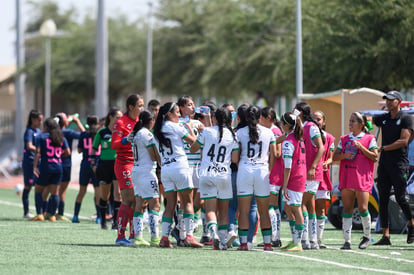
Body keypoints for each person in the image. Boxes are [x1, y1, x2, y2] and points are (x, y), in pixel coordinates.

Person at [153, 102, 203, 248]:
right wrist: (190, 129)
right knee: (188, 202)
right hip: (180, 167)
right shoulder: (176, 127)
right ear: (169, 114)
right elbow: (194, 142)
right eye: (177, 112)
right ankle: (189, 236)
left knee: (170, 205)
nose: (180, 115)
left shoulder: (157, 130)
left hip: (166, 169)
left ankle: (164, 238)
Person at [190, 107, 239, 250]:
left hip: (207, 173)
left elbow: (193, 148)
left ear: (215, 118)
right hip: (224, 174)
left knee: (210, 209)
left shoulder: (207, 131)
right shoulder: (232, 135)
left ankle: (213, 234)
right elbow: (235, 159)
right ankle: (223, 241)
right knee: (223, 211)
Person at [372, 90, 414, 245]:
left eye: (391, 100)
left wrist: (382, 148)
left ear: (399, 101)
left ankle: (411, 224)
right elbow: (368, 121)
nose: (388, 102)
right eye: (386, 100)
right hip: (384, 165)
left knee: (400, 198)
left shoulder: (406, 118)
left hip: (399, 165)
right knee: (383, 199)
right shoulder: (383, 118)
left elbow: (404, 141)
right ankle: (386, 236)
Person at [333, 112, 378, 249]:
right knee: (347, 208)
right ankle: (347, 241)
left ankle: (366, 236)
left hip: (362, 178)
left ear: (361, 124)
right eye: (350, 120)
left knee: (363, 208)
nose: (350, 123)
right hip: (347, 177)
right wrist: (345, 155)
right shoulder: (344, 138)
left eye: (353, 121)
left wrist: (361, 148)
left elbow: (375, 157)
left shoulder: (370, 138)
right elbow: (335, 156)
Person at [236, 105, 276, 251]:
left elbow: (235, 157)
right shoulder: (268, 132)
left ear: (246, 118)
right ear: (260, 117)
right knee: (264, 210)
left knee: (244, 210)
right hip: (262, 171)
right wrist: (269, 169)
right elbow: (275, 154)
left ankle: (244, 244)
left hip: (245, 170)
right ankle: (267, 244)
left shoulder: (239, 133)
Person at [111, 94, 144, 246]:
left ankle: (133, 235)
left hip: (138, 164)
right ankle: (120, 236)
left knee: (137, 200)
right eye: (140, 106)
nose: (142, 109)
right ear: (131, 107)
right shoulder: (121, 122)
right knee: (128, 199)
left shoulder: (141, 121)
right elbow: (114, 144)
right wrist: (126, 139)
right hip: (124, 164)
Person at [228, 103, 259, 249]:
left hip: (235, 172)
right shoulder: (261, 132)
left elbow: (233, 157)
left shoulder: (235, 132)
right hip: (256, 172)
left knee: (232, 206)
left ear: (238, 117)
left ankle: (231, 233)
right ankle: (249, 239)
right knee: (252, 208)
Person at [295, 102, 325, 250]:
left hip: (311, 171)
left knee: (301, 203)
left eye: (295, 110)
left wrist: (313, 167)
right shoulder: (300, 127)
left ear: (300, 112)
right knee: (309, 205)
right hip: (303, 171)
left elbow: (321, 148)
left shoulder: (311, 127)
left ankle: (306, 240)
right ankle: (312, 241)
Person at [130, 110, 161, 247]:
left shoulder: (136, 133)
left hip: (136, 170)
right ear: (151, 121)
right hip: (146, 171)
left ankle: (138, 237)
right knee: (155, 204)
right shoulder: (146, 134)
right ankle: (155, 238)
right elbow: (153, 156)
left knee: (140, 204)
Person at [31, 118, 70, 222]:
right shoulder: (60, 137)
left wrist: (35, 166)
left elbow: (38, 152)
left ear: (46, 127)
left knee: (38, 190)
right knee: (55, 192)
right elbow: (68, 152)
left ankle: (40, 214)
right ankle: (52, 215)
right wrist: (57, 156)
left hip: (46, 166)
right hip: (58, 166)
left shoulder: (41, 137)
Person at [280, 110, 307, 252]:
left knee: (296, 209)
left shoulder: (289, 142)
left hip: (295, 178)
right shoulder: (296, 138)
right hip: (299, 176)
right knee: (288, 207)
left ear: (285, 125)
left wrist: (285, 185)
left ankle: (298, 242)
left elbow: (288, 167)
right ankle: (295, 239)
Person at [92, 107, 123, 230]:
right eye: (117, 118)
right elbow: (94, 149)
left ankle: (116, 222)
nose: (120, 120)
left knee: (118, 194)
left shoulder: (121, 132)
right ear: (111, 117)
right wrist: (93, 163)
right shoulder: (102, 132)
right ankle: (103, 221)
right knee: (105, 195)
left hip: (118, 164)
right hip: (104, 165)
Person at [55, 112, 85, 221]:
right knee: (62, 190)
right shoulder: (68, 132)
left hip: (53, 162)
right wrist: (77, 122)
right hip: (66, 163)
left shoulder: (52, 132)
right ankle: (60, 213)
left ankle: (47, 212)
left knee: (52, 189)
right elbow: (85, 135)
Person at [260, 107, 284, 247]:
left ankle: (275, 237)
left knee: (271, 204)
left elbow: (277, 153)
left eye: (261, 118)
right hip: (273, 172)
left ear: (268, 118)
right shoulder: (273, 131)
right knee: (273, 205)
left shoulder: (274, 131)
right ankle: (276, 236)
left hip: (273, 172)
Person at [313, 110, 335, 248]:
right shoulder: (306, 135)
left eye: (319, 119)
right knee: (307, 207)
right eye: (314, 119)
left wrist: (326, 163)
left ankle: (318, 239)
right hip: (308, 177)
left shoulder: (330, 138)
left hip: (322, 177)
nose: (316, 121)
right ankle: (307, 238)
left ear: (324, 122)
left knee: (320, 209)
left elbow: (331, 157)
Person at [72, 115, 100, 224]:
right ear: (97, 123)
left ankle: (75, 216)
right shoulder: (99, 134)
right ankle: (99, 217)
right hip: (96, 164)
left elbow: (79, 150)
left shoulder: (83, 135)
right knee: (97, 192)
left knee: (81, 191)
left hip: (85, 164)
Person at [22, 110, 43, 218]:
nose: (40, 122)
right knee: (28, 186)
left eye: (41, 120)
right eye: (39, 120)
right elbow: (29, 146)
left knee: (40, 186)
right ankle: (26, 212)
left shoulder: (39, 131)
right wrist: (40, 150)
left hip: (38, 162)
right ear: (33, 120)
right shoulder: (29, 131)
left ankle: (41, 211)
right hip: (29, 162)